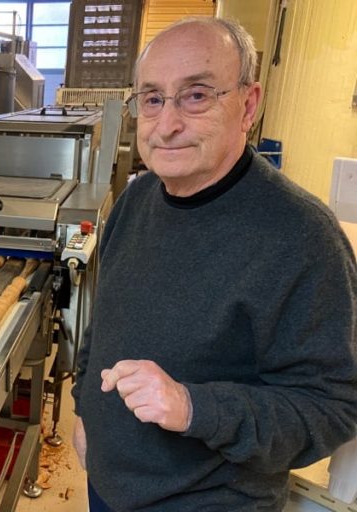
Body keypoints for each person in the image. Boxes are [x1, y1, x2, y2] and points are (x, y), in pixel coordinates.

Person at [71, 17, 357, 512]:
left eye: (197, 95)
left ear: (248, 105)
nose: (167, 125)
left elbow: (332, 407)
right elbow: (104, 324)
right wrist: (83, 406)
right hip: (108, 488)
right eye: (152, 98)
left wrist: (194, 407)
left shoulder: (302, 238)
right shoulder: (136, 201)